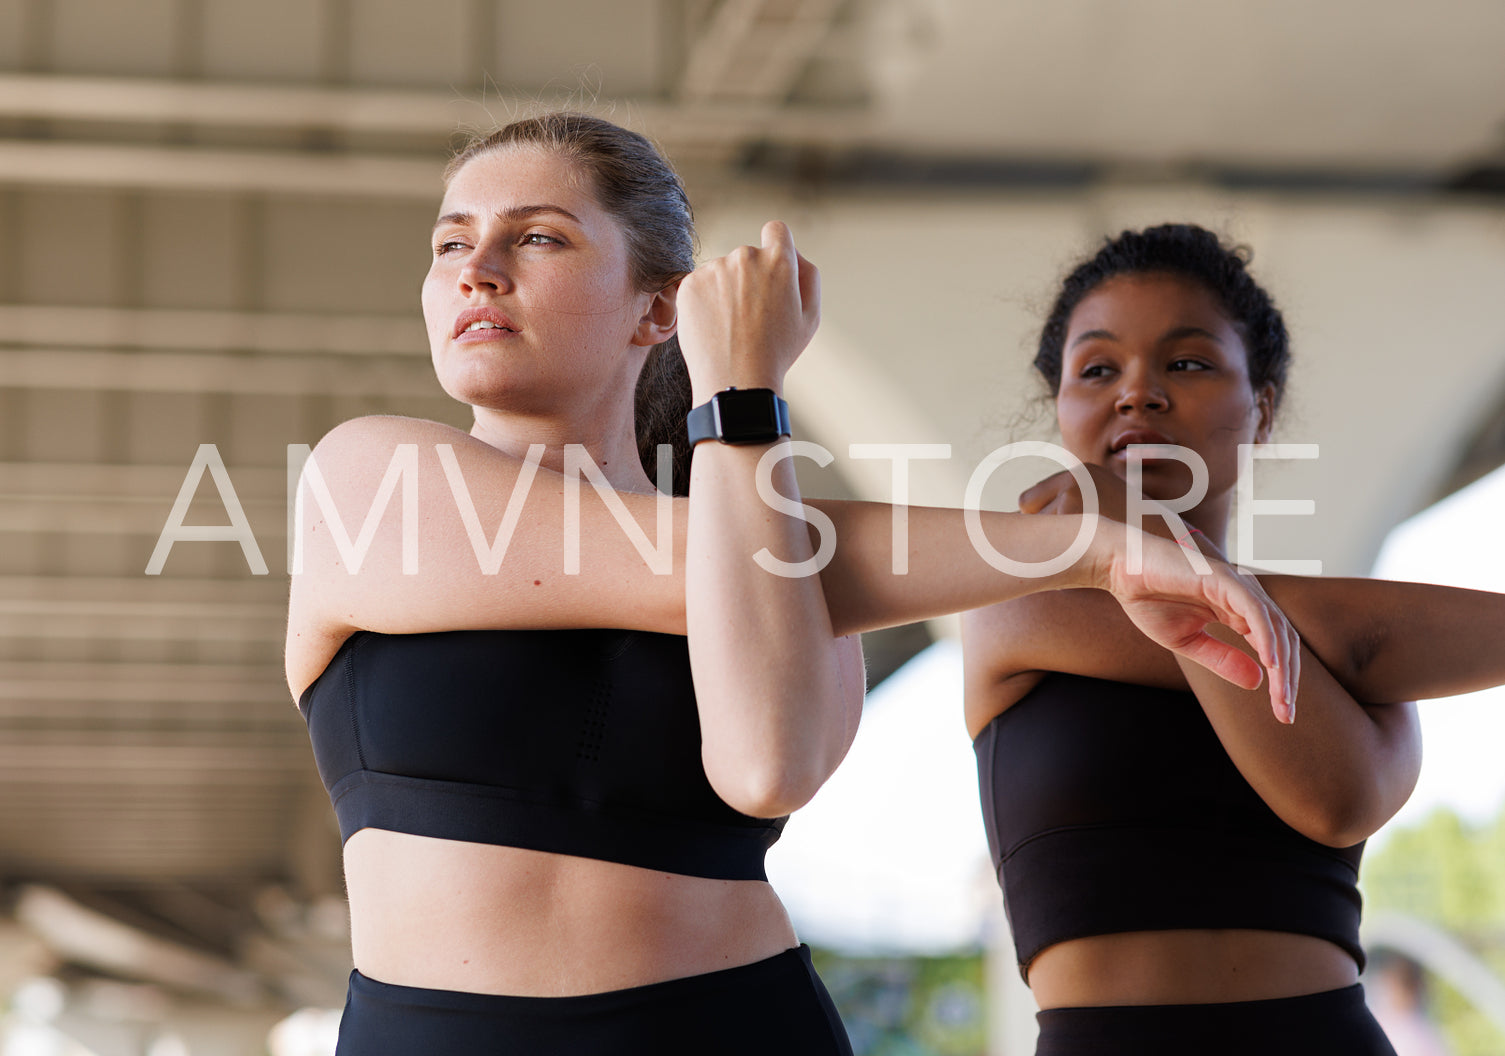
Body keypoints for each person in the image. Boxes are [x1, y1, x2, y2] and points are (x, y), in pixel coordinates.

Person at [284, 118, 1296, 1054]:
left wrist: (741, 397)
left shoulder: (778, 532)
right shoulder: (368, 476)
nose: (478, 272)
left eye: (537, 238)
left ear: (657, 308)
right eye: (451, 243)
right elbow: (736, 558)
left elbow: (766, 768)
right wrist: (1098, 550)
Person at [962, 223, 1505, 1055]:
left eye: (1186, 363)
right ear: (1061, 408)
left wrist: (1142, 524)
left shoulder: (1355, 644)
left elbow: (1333, 799)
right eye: (1097, 368)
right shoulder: (1014, 603)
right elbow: (1364, 639)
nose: (1135, 393)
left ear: (1262, 407)